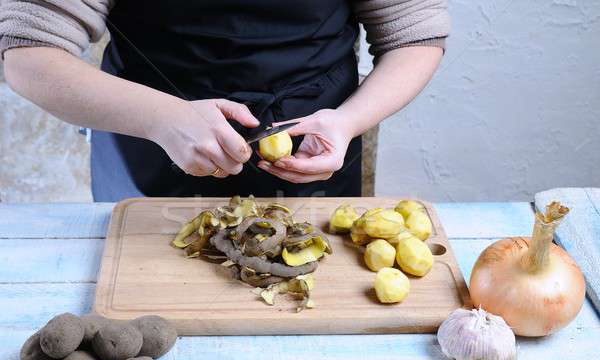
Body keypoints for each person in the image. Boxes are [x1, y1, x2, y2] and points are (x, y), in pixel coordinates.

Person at [0, 0, 449, 201]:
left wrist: (348, 122)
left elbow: (415, 34)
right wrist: (163, 118)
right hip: (147, 155)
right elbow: (27, 54)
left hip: (315, 162)